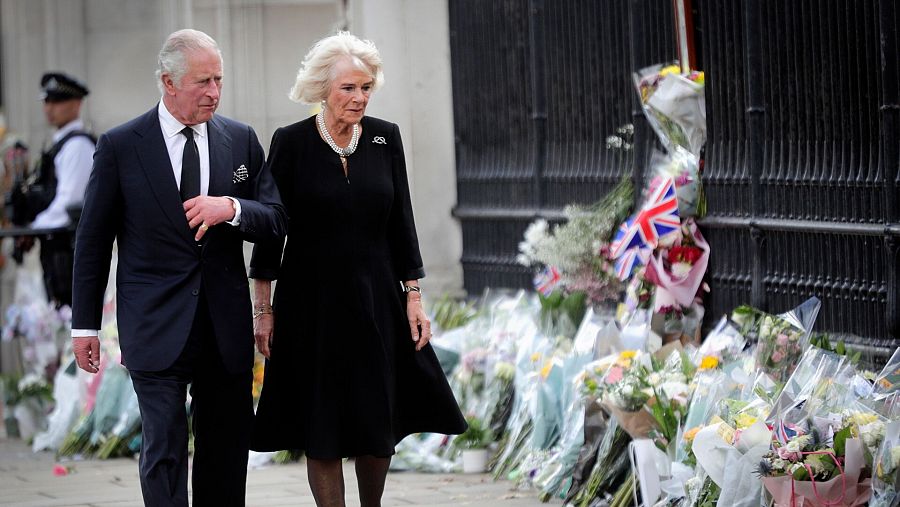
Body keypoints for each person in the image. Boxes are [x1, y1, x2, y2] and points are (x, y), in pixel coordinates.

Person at [249, 32, 466, 507]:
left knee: (377, 417)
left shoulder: (386, 136)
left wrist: (413, 295)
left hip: (377, 300)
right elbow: (270, 230)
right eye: (348, 88)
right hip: (312, 304)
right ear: (321, 89)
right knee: (321, 421)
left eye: (366, 87)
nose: (360, 98)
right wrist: (263, 310)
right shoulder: (290, 143)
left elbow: (401, 220)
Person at [71, 29, 286, 506]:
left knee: (225, 448)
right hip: (153, 320)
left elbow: (275, 219)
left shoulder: (241, 140)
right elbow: (92, 241)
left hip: (223, 323)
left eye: (219, 80)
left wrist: (230, 207)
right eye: (202, 81)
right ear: (168, 82)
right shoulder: (121, 145)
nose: (214, 92)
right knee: (164, 445)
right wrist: (83, 324)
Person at [30, 72, 95, 307]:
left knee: (69, 315)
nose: (49, 108)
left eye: (57, 101)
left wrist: (33, 227)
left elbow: (70, 202)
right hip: (57, 246)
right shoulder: (59, 143)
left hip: (69, 247)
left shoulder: (77, 145)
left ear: (77, 103)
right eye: (47, 101)